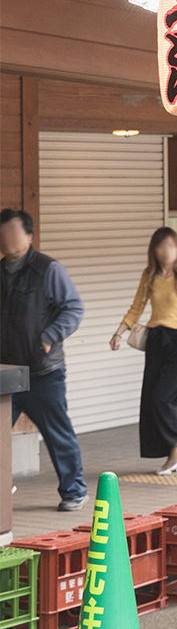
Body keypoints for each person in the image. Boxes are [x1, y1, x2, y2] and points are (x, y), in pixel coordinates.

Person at [0, 209, 88, 511]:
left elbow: (74, 308)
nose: (6, 238)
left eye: (12, 231)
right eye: (2, 232)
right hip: (5, 373)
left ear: (29, 236)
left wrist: (49, 336)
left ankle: (74, 490)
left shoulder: (48, 269)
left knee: (57, 434)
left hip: (42, 371)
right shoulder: (0, 272)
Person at [110, 227, 177, 474]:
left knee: (162, 398)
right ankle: (174, 449)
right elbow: (136, 307)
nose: (166, 251)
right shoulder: (149, 275)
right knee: (150, 401)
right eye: (161, 246)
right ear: (154, 250)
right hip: (156, 341)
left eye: (171, 246)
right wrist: (119, 332)